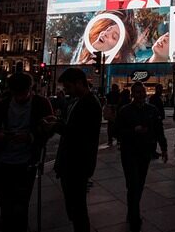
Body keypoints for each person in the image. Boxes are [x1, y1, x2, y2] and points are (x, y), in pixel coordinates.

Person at [0, 73, 54, 232]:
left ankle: (19, 227)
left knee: (21, 202)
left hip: (27, 162)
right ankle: (7, 223)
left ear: (31, 89)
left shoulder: (41, 103)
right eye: (17, 94)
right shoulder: (0, 106)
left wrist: (30, 137)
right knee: (5, 201)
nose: (21, 97)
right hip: (3, 161)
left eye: (23, 93)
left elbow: (50, 128)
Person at [53, 68, 102, 232]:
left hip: (77, 164)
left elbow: (79, 134)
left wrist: (56, 126)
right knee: (74, 208)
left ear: (79, 83)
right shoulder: (77, 101)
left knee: (78, 209)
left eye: (68, 87)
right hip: (71, 163)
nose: (66, 91)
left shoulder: (90, 103)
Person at [116, 82, 168, 232]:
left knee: (139, 184)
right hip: (129, 152)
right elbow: (116, 131)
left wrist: (163, 148)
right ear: (132, 94)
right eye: (137, 92)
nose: (140, 95)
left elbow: (159, 130)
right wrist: (133, 130)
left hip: (145, 152)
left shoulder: (152, 110)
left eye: (142, 92)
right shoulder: (125, 111)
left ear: (145, 94)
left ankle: (132, 210)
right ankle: (134, 216)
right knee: (132, 184)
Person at [72, 10, 138, 64]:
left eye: (114, 37)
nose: (106, 33)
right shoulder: (80, 62)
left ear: (116, 53)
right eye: (108, 29)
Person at [149, 84, 166, 158]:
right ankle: (152, 152)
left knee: (155, 137)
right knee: (155, 136)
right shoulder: (154, 98)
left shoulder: (157, 97)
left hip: (157, 119)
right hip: (155, 120)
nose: (162, 90)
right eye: (160, 89)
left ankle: (153, 151)